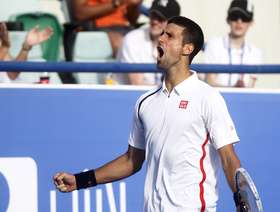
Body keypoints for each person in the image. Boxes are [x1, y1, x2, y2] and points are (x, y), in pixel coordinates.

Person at [54, 16, 245, 211]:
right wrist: (80, 180)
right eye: (162, 33)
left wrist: (241, 200)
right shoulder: (145, 102)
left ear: (187, 49)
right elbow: (131, 161)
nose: (161, 39)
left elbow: (228, 158)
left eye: (169, 36)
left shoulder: (208, 97)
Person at [116, 0, 180, 85]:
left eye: (161, 18)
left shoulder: (179, 43)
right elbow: (137, 85)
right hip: (129, 96)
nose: (155, 21)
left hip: (160, 95)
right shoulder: (132, 39)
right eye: (153, 16)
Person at [204, 0, 262, 88]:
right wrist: (234, 89)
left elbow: (251, 88)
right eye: (234, 16)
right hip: (218, 100)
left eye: (245, 18)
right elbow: (210, 83)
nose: (239, 21)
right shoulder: (214, 44)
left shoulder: (255, 52)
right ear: (228, 19)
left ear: (251, 22)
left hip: (243, 100)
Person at [73, 0, 143, 56]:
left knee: (147, 40)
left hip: (125, 28)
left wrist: (134, 5)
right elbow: (80, 13)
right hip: (97, 28)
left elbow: (132, 20)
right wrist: (117, 3)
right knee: (122, 44)